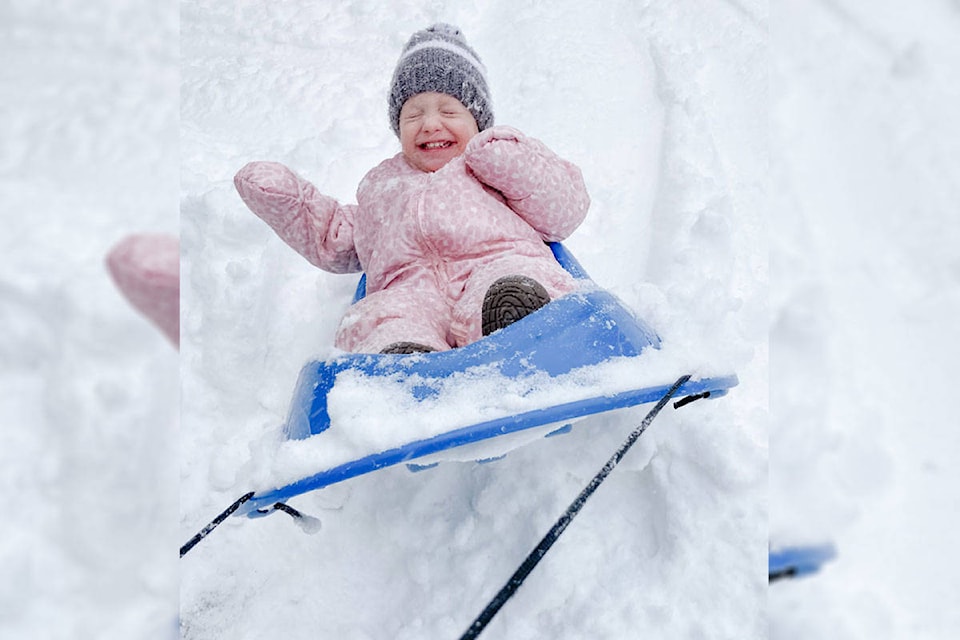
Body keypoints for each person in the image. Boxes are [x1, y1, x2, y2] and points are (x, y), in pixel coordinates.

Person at [234, 23, 589, 354]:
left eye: (449, 112)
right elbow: (336, 237)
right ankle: (403, 366)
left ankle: (520, 329)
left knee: (510, 282)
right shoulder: (381, 186)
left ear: (478, 121)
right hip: (412, 295)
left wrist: (514, 160)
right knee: (385, 315)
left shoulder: (492, 165)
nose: (430, 124)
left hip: (494, 271)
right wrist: (288, 199)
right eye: (413, 115)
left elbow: (562, 213)